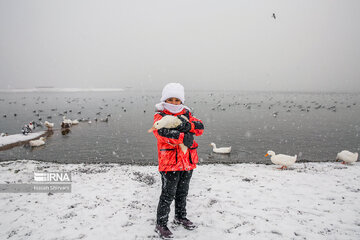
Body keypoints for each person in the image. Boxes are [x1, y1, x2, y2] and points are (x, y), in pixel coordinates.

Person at [152, 83, 204, 239]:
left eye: (177, 100)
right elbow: (161, 132)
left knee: (182, 192)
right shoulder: (160, 116)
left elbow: (200, 127)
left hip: (187, 162)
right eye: (170, 99)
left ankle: (180, 216)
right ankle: (161, 224)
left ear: (181, 101)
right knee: (168, 194)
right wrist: (183, 136)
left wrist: (189, 126)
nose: (174, 103)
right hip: (170, 164)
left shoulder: (187, 114)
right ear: (164, 100)